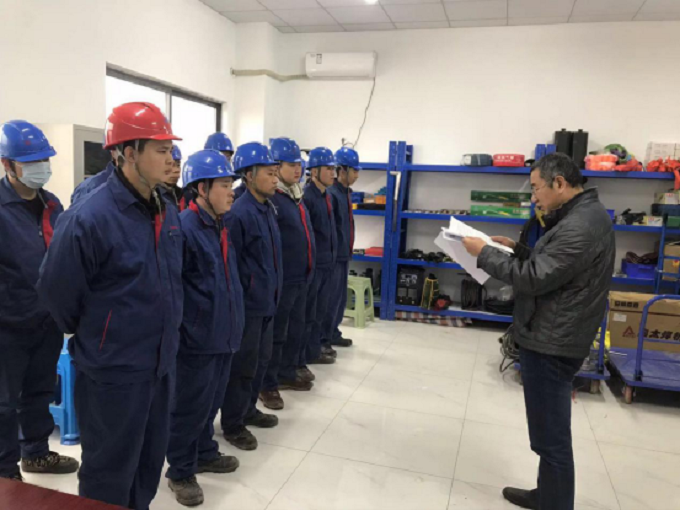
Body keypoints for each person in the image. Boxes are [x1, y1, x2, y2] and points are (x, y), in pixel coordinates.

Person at [37, 102, 183, 510]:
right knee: (108, 474)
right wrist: (100, 334)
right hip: (113, 372)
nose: (170, 158)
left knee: (147, 465)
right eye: (160, 150)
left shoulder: (165, 208)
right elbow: (55, 291)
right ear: (128, 153)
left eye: (170, 149)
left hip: (159, 365)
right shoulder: (91, 216)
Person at [462, 153, 615, 510]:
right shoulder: (582, 216)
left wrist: (484, 254)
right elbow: (558, 268)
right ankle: (547, 495)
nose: (534, 197)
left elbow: (533, 278)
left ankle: (554, 502)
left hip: (553, 342)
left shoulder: (580, 224)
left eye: (536, 188)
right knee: (547, 433)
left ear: (559, 183)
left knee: (552, 439)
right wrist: (517, 249)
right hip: (554, 333)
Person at [0, 120, 79, 481]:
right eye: (31, 161)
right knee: (3, 403)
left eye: (44, 160)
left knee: (39, 391)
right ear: (8, 164)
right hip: (7, 326)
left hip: (45, 321)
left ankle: (35, 453)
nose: (41, 167)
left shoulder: (52, 204)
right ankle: (5, 473)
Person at [166, 150, 243, 507]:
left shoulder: (219, 224)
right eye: (225, 185)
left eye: (231, 184)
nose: (232, 192)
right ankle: (180, 471)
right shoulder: (185, 228)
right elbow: (173, 290)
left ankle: (204, 452)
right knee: (189, 408)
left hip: (222, 334)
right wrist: (188, 331)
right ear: (201, 188)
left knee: (211, 403)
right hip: (196, 340)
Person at [220, 142, 282, 451]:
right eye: (269, 173)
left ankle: (248, 409)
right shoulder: (239, 213)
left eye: (275, 172)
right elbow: (231, 264)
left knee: (260, 361)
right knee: (243, 367)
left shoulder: (267, 208)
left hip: (267, 302)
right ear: (248, 175)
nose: (275, 178)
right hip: (248, 306)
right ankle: (233, 423)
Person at [259, 138, 316, 411]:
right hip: (282, 280)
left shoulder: (295, 195)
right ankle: (267, 384)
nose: (297, 169)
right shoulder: (273, 200)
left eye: (299, 165)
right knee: (276, 334)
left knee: (294, 328)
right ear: (276, 166)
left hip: (300, 276)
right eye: (291, 165)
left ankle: (286, 372)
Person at [302, 147, 338, 366]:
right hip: (315, 265)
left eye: (334, 169)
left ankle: (315, 348)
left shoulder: (327, 196)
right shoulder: (308, 197)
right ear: (314, 171)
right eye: (328, 169)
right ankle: (308, 352)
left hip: (327, 263)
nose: (333, 173)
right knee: (311, 312)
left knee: (321, 310)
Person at [327, 147, 361, 349]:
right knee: (330, 300)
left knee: (340, 299)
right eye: (354, 171)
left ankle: (333, 332)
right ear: (342, 170)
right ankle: (324, 337)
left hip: (343, 255)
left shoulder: (345, 193)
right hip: (334, 257)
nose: (357, 175)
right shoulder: (332, 194)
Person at [164, 145, 189, 211]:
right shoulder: (151, 198)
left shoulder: (184, 195)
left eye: (178, 165)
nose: (176, 170)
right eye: (170, 165)